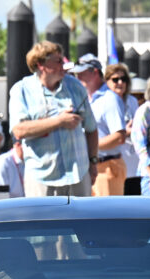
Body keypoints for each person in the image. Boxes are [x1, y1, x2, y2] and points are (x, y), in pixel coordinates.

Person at [9, 41, 98, 197]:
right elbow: (19, 130)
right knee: (43, 222)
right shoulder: (21, 90)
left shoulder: (75, 86)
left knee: (81, 222)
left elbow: (91, 129)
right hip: (42, 179)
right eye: (57, 61)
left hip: (78, 175)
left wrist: (93, 162)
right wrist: (59, 121)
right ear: (41, 65)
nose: (63, 65)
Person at [70, 54, 128, 196]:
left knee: (107, 216)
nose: (78, 77)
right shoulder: (87, 98)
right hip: (93, 166)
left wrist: (89, 144)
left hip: (108, 167)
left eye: (81, 73)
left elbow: (119, 136)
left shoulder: (110, 99)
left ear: (94, 72)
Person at [105, 64, 141, 195]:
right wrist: (124, 132)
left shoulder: (132, 101)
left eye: (124, 79)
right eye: (115, 79)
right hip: (112, 162)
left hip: (133, 162)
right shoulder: (103, 102)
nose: (120, 83)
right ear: (106, 81)